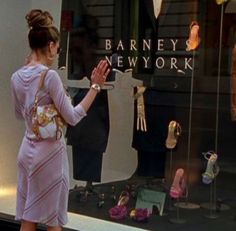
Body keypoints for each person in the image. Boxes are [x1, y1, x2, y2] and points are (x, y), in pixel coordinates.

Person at [10, 9, 109, 231]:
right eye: (57, 45)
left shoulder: (16, 77)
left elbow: (19, 114)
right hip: (50, 154)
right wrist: (95, 87)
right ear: (51, 45)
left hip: (26, 151)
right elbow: (72, 117)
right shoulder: (50, 77)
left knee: (29, 217)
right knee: (53, 220)